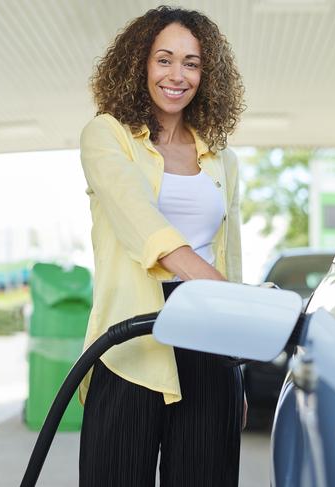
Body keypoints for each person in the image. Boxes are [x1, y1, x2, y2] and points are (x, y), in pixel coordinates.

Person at [77, 5, 245, 486]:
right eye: (164, 59)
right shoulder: (107, 136)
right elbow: (136, 216)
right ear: (139, 65)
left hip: (208, 334)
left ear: (206, 74)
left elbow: (228, 249)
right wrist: (226, 293)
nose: (178, 75)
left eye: (191, 63)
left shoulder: (221, 157)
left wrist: (233, 351)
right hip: (130, 340)